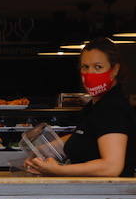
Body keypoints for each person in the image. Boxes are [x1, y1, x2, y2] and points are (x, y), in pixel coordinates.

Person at [26, 37, 136, 177]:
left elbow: (111, 167)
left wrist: (58, 170)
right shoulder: (95, 106)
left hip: (108, 196)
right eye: (85, 67)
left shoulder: (112, 109)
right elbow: (84, 137)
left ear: (115, 69)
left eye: (98, 67)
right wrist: (43, 152)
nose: (90, 73)